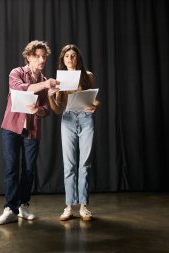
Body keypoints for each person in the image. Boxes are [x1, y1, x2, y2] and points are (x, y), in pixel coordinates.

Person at [0, 40, 59, 225]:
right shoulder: (16, 73)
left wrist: (40, 110)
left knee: (29, 170)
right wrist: (46, 85)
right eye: (37, 56)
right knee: (11, 167)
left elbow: (46, 108)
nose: (41, 59)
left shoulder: (45, 81)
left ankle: (23, 205)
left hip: (32, 130)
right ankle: (10, 208)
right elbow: (19, 88)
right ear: (28, 57)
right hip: (11, 127)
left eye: (44, 56)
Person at [48, 44, 100, 221]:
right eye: (67, 56)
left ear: (78, 58)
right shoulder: (60, 79)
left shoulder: (88, 76)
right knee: (69, 164)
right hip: (68, 119)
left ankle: (84, 206)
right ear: (63, 59)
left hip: (86, 119)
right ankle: (69, 206)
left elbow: (96, 101)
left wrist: (94, 106)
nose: (70, 59)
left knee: (84, 163)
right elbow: (57, 109)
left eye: (73, 56)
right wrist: (49, 95)